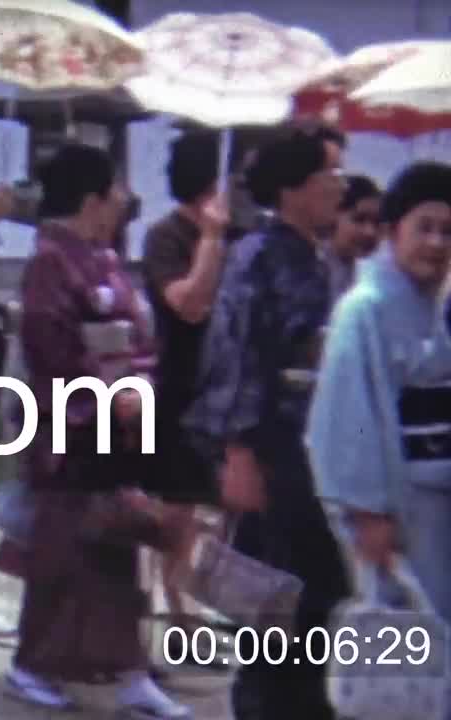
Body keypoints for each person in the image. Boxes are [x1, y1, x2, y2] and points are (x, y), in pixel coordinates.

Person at [0, 143, 190, 719]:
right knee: (62, 554)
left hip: (117, 420)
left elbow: (140, 339)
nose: (126, 201)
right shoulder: (51, 261)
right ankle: (32, 665)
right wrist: (106, 395)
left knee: (116, 549)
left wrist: (142, 385)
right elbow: (49, 347)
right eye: (118, 190)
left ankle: (125, 671)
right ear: (92, 199)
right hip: (70, 424)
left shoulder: (100, 257)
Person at [184, 124, 352, 720]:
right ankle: (265, 706)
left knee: (317, 585)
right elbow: (235, 355)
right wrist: (237, 452)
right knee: (278, 587)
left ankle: (301, 703)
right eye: (325, 176)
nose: (338, 185)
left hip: (316, 443)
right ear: (292, 189)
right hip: (269, 442)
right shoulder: (255, 254)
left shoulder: (318, 255)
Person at [307, 163, 451, 718]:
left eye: (448, 230)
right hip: (396, 502)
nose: (437, 243)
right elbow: (349, 416)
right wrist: (367, 508)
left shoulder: (438, 306)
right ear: (395, 231)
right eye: (425, 226)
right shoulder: (362, 310)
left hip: (439, 499)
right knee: (397, 649)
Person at [140, 131, 231, 654]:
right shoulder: (165, 237)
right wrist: (211, 241)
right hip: (178, 384)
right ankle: (178, 610)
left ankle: (184, 599)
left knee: (199, 511)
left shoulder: (234, 233)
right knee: (174, 508)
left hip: (220, 385)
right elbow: (189, 303)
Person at [323, 174, 382, 305]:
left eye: (377, 223)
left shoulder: (373, 279)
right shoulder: (310, 270)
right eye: (359, 219)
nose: (370, 232)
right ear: (333, 216)